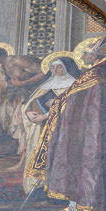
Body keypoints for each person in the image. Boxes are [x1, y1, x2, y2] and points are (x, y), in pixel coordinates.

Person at [32, 36, 106, 211]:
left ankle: (88, 206)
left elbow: (72, 99)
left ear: (95, 56)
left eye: (86, 54)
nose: (82, 58)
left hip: (87, 127)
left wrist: (57, 104)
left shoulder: (94, 74)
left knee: (87, 161)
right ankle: (80, 203)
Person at [20, 55, 80, 195]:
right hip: (41, 129)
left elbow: (71, 107)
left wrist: (45, 116)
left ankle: (58, 191)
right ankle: (38, 188)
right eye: (52, 67)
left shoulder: (75, 85)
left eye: (59, 67)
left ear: (67, 68)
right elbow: (27, 104)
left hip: (62, 129)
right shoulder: (45, 85)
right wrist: (28, 113)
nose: (55, 70)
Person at [0, 45, 45, 159]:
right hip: (12, 99)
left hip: (29, 98)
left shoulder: (18, 61)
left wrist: (23, 83)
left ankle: (25, 161)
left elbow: (43, 72)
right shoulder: (3, 67)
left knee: (21, 125)